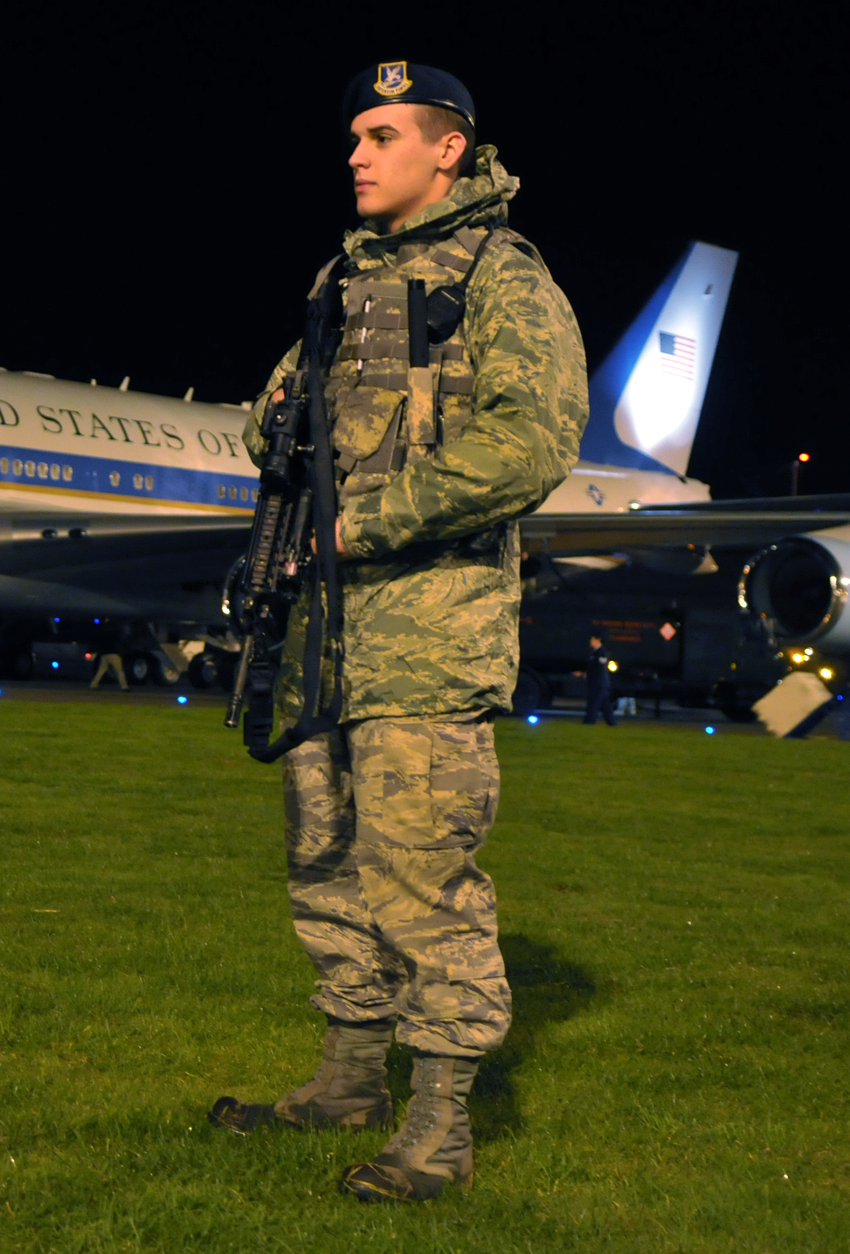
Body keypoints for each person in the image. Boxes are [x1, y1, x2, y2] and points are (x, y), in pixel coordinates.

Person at [208, 62, 587, 1207]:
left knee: (422, 881)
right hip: (323, 636)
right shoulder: (342, 278)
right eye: (355, 137)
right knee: (325, 870)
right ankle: (347, 1082)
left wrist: (365, 523)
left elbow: (534, 443)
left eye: (382, 135)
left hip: (426, 639)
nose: (357, 155)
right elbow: (272, 414)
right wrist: (271, 418)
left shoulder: (500, 277)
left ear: (448, 151)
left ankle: (440, 1132)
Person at [580, 635, 616, 726]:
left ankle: (589, 721)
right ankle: (612, 723)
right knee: (604, 704)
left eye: (592, 639)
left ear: (598, 640)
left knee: (594, 702)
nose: (590, 641)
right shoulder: (594, 652)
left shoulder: (601, 652)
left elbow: (600, 668)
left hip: (599, 682)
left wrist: (588, 675)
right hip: (596, 682)